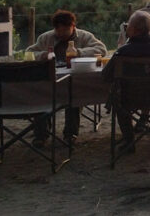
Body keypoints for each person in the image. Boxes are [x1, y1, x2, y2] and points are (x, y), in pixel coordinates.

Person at [26, 10, 107, 146]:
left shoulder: (84, 36)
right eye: (59, 30)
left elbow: (101, 49)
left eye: (65, 30)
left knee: (73, 97)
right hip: (51, 78)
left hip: (74, 78)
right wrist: (43, 55)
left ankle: (70, 134)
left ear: (73, 27)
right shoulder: (46, 38)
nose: (62, 33)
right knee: (40, 94)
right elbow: (29, 52)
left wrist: (80, 52)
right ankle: (41, 135)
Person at [102, 10, 150, 152]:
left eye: (128, 25)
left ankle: (129, 142)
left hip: (129, 100)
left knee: (118, 103)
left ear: (134, 30)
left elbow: (105, 76)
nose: (126, 27)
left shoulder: (122, 52)